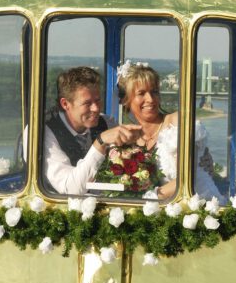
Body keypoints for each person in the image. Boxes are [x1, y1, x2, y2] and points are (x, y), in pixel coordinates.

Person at [117, 61, 225, 202]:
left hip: (199, 205)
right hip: (162, 212)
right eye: (141, 93)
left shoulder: (176, 123)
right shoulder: (127, 138)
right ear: (126, 100)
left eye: (154, 91)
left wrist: (146, 200)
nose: (150, 99)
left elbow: (186, 179)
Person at [43, 67, 141, 195]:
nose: (95, 109)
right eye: (87, 103)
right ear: (65, 104)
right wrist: (100, 142)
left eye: (98, 100)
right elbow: (70, 189)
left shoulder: (106, 123)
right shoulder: (42, 133)